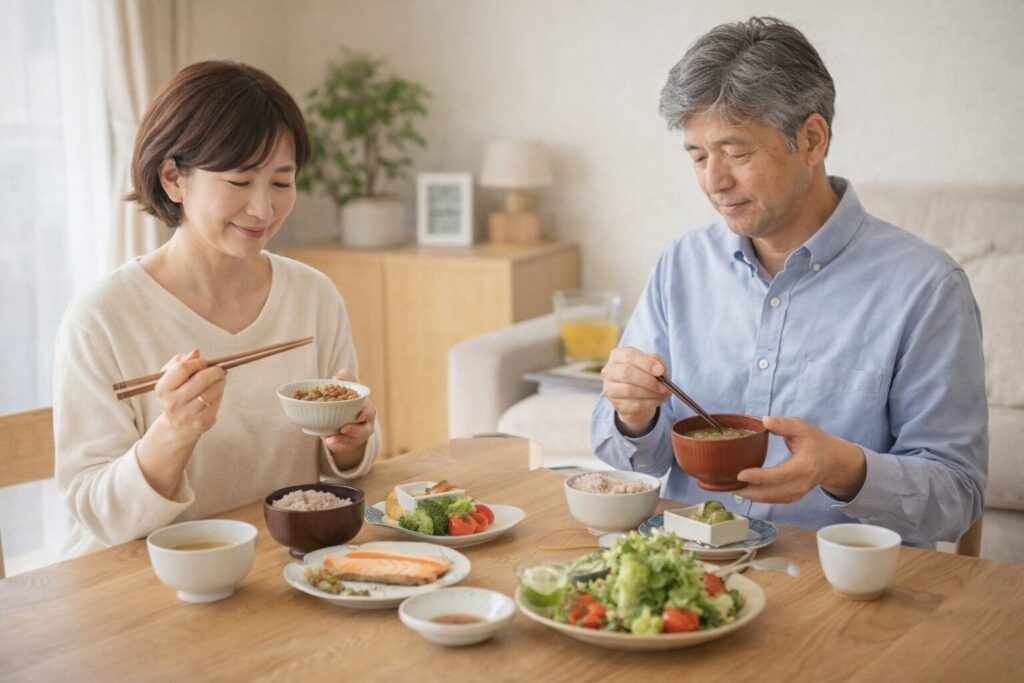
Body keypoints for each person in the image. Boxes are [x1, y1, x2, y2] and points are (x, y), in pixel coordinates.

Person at [591, 17, 987, 547]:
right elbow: (629, 454)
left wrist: (844, 468)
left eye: (736, 153)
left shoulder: (926, 287)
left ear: (812, 138)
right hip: (688, 577)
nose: (714, 181)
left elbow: (956, 497)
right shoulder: (681, 265)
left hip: (840, 590)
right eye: (698, 156)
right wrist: (633, 415)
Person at [54, 61, 380, 558]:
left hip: (271, 568)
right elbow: (95, 512)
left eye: (280, 182)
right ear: (173, 178)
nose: (263, 209)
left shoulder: (313, 296)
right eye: (239, 181)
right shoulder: (102, 318)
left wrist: (349, 443)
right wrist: (175, 431)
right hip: (137, 580)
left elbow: (339, 464)